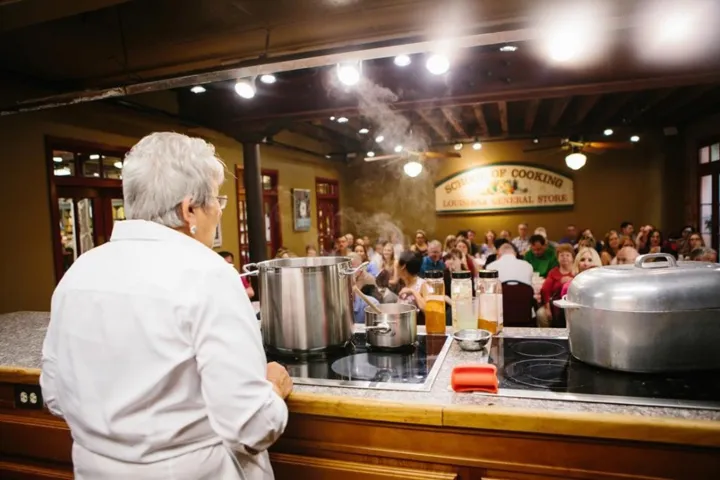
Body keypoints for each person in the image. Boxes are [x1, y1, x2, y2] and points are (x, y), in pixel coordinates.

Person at [40, 133, 291, 480]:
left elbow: (53, 396)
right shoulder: (209, 274)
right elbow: (250, 425)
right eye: (217, 200)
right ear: (189, 209)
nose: (219, 210)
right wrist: (273, 391)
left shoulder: (79, 271)